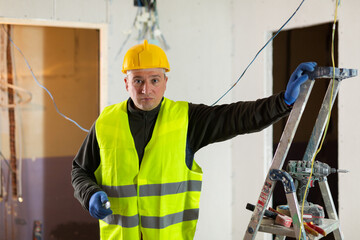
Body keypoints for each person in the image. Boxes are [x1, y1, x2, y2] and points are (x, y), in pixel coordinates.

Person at [71, 39, 316, 240]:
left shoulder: (186, 119)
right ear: (127, 83)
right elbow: (80, 170)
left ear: (165, 82)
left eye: (154, 80)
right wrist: (89, 194)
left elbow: (237, 117)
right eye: (138, 81)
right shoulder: (105, 122)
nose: (146, 89)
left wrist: (283, 102)